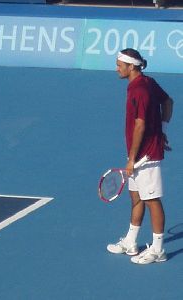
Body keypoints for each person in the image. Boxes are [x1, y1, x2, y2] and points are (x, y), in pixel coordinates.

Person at [107, 48, 173, 264]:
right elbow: (168, 101)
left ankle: (158, 249)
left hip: (146, 155)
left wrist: (131, 158)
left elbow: (140, 125)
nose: (116, 68)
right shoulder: (146, 82)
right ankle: (131, 241)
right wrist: (163, 130)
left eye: (119, 65)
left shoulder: (139, 91)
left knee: (152, 200)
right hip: (138, 154)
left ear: (131, 66)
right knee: (136, 196)